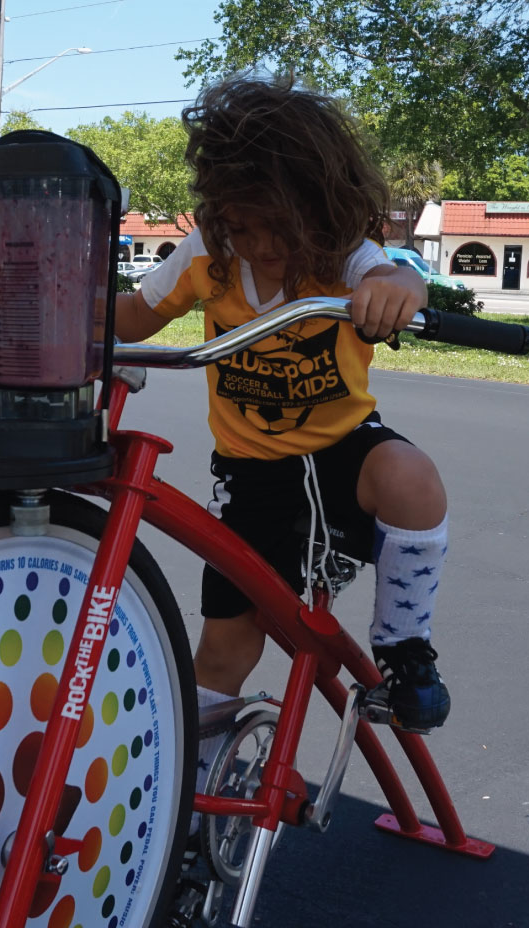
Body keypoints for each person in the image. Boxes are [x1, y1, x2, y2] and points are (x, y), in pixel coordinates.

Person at [114, 74, 452, 767]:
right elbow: (134, 317)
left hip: (342, 456)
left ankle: (404, 648)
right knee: (226, 645)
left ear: (322, 213)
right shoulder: (208, 253)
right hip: (251, 473)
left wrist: (398, 290)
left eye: (281, 232)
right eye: (244, 228)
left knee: (412, 478)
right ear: (220, 212)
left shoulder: (346, 256)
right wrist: (54, 303)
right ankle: (193, 788)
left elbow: (396, 279)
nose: (262, 249)